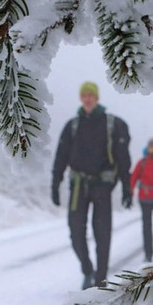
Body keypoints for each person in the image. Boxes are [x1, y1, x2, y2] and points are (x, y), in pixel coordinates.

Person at [51, 81, 132, 289]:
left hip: (102, 187)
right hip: (78, 186)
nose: (87, 98)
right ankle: (88, 269)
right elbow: (61, 156)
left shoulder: (112, 124)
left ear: (97, 98)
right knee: (76, 232)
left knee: (102, 233)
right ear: (81, 98)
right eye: (84, 95)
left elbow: (123, 157)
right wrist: (55, 182)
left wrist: (126, 185)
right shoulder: (72, 126)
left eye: (91, 95)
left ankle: (101, 280)